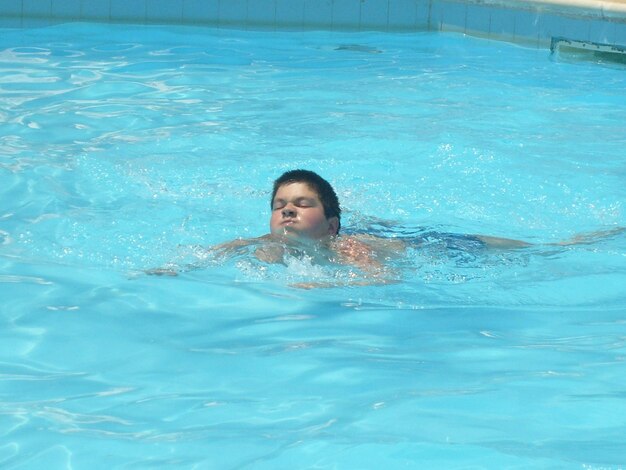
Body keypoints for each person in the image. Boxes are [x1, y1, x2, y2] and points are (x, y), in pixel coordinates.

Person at [149, 169, 623, 286]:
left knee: (547, 249)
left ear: (332, 224)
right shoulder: (257, 245)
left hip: (439, 246)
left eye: (302, 204)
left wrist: (320, 284)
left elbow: (384, 281)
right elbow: (203, 257)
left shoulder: (349, 249)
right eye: (279, 206)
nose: (287, 212)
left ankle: (599, 235)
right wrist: (172, 272)